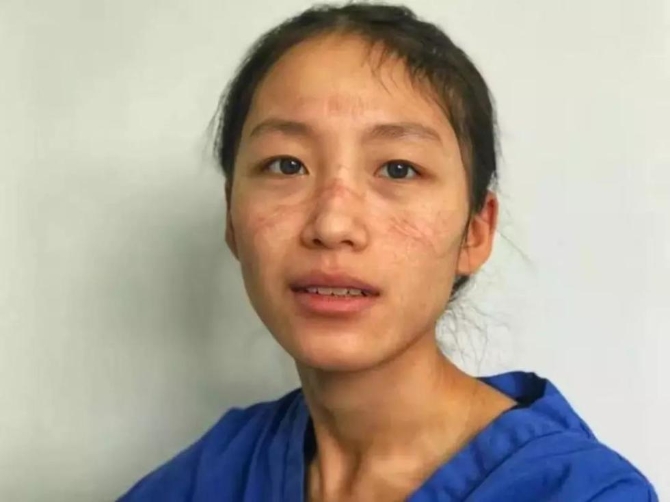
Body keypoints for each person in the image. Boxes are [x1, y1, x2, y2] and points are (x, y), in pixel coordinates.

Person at [118, 3, 657, 501]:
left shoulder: (581, 492)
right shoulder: (209, 478)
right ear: (232, 219)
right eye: (287, 165)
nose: (332, 225)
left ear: (475, 232)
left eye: (398, 169)